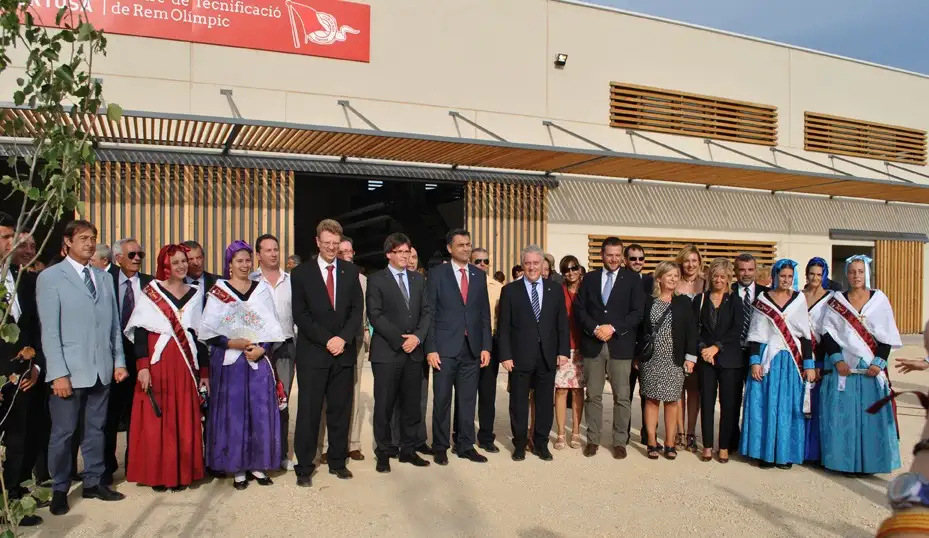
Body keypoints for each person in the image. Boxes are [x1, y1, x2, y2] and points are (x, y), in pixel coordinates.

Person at [37, 219, 129, 516]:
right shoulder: (51, 277)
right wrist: (58, 374)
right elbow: (50, 332)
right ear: (67, 242)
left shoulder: (103, 278)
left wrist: (118, 361)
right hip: (69, 372)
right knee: (64, 433)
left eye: (92, 238)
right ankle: (59, 488)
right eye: (83, 238)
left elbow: (113, 326)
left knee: (96, 429)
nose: (89, 244)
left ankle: (93, 481)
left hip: (101, 368)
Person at [199, 240, 285, 490]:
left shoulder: (261, 290)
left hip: (256, 359)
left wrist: (263, 348)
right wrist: (230, 342)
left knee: (258, 411)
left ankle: (257, 464)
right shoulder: (219, 291)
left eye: (248, 260)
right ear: (230, 264)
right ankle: (237, 466)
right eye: (239, 261)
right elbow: (209, 330)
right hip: (230, 361)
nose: (245, 265)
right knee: (234, 412)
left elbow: (271, 325)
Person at [123, 244, 208, 491]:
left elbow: (199, 336)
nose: (182, 266)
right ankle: (158, 474)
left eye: (184, 261)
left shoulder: (195, 294)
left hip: (185, 364)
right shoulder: (151, 292)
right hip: (157, 363)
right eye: (176, 262)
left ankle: (181, 473)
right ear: (166, 266)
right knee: (156, 419)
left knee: (183, 416)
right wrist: (142, 366)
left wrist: (204, 372)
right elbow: (140, 332)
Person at [290, 219, 364, 487]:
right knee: (309, 412)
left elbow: (357, 311)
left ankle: (337, 462)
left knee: (340, 411)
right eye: (327, 243)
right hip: (313, 353)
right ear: (317, 242)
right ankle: (304, 466)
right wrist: (327, 339)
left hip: (342, 353)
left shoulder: (351, 271)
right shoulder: (301, 273)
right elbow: (300, 314)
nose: (331, 247)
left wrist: (342, 338)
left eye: (335, 243)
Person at [819, 255, 901, 475]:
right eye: (852, 271)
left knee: (871, 416)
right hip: (845, 366)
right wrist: (837, 360)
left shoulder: (879, 300)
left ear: (867, 274)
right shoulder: (837, 300)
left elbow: (887, 334)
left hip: (871, 366)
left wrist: (879, 363)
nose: (856, 276)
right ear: (846, 274)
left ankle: (871, 464)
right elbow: (827, 333)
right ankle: (844, 463)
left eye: (860, 271)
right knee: (844, 415)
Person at [573, 236, 645, 459]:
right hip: (593, 344)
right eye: (609, 255)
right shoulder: (590, 278)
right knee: (593, 395)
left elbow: (637, 313)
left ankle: (619, 441)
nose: (613, 259)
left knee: (622, 397)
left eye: (617, 255)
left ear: (621, 256)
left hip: (620, 345)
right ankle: (593, 439)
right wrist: (595, 328)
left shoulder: (632, 279)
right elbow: (579, 308)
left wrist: (612, 328)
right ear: (602, 255)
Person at [425, 229, 492, 465]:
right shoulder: (437, 274)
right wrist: (430, 348)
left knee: (467, 400)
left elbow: (484, 314)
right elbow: (430, 313)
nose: (465, 248)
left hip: (472, 348)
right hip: (444, 349)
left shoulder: (478, 275)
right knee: (442, 399)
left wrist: (486, 346)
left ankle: (465, 445)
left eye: (468, 244)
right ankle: (440, 446)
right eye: (461, 245)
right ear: (449, 248)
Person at [367, 233, 433, 472]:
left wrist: (417, 337)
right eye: (401, 252)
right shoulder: (376, 280)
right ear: (389, 254)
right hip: (387, 352)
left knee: (411, 405)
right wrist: (399, 340)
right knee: (384, 405)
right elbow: (375, 315)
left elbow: (426, 312)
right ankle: (384, 452)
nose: (406, 256)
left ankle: (408, 449)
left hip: (413, 352)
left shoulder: (418, 279)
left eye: (408, 251)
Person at [741, 259, 815, 469]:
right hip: (768, 359)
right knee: (765, 405)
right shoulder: (763, 299)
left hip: (791, 360)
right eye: (782, 276)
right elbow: (756, 333)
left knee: (789, 407)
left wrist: (808, 364)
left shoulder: (799, 299)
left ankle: (785, 453)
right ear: (775, 276)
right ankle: (764, 453)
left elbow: (805, 335)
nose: (786, 280)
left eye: (790, 276)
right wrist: (755, 361)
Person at [498, 245, 569, 462]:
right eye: (527, 263)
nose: (531, 267)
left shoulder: (555, 290)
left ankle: (540, 443)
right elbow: (504, 327)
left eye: (535, 263)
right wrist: (505, 355)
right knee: (518, 403)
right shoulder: (510, 291)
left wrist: (563, 351)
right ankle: (520, 444)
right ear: (522, 265)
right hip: (520, 356)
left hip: (547, 356)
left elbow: (562, 324)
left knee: (545, 403)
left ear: (542, 264)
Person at [0, 215, 44, 526]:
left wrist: (35, 365)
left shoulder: (24, 279)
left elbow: (35, 328)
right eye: (5, 237)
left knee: (19, 441)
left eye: (12, 236)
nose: (11, 243)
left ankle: (11, 504)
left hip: (23, 377)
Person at [105, 237, 153, 485]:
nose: (137, 259)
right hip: (112, 358)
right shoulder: (105, 280)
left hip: (141, 358)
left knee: (139, 414)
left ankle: (135, 464)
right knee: (110, 415)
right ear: (118, 258)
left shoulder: (150, 284)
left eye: (140, 255)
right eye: (132, 254)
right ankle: (106, 467)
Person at [640, 261, 697, 460]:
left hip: (674, 360)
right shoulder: (649, 301)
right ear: (659, 278)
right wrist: (638, 356)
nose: (673, 279)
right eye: (669, 275)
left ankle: (670, 443)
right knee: (651, 400)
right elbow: (641, 330)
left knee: (672, 401)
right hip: (651, 359)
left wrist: (691, 358)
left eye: (676, 275)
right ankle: (651, 441)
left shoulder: (684, 302)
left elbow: (691, 332)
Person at [250, 234, 297, 471]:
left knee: (282, 401)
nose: (273, 254)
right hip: (258, 350)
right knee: (258, 402)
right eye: (267, 250)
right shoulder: (250, 281)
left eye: (276, 249)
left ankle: (281, 454)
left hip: (285, 346)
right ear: (258, 254)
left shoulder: (291, 281)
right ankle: (257, 456)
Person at [693, 258, 744, 463]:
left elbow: (736, 330)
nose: (719, 280)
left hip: (730, 359)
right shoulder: (700, 299)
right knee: (706, 403)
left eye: (723, 276)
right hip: (706, 359)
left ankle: (723, 446)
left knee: (728, 405)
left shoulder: (735, 301)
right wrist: (703, 349)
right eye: (715, 276)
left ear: (729, 278)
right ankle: (707, 445)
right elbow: (694, 329)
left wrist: (716, 348)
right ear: (710, 277)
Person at [457, 247, 502, 453]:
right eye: (478, 261)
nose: (482, 265)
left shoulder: (498, 288)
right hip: (465, 343)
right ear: (470, 262)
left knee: (487, 393)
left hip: (489, 343)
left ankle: (486, 437)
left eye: (486, 261)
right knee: (464, 394)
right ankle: (460, 435)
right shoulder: (461, 283)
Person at [674, 244, 704, 452]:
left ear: (699, 262)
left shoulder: (707, 282)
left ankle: (691, 432)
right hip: (678, 341)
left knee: (694, 391)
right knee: (678, 389)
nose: (691, 265)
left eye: (694, 260)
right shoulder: (674, 281)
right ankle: (679, 432)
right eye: (687, 260)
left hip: (700, 343)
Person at [802, 257, 832, 464]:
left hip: (820, 356)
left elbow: (831, 332)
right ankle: (800, 449)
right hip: (801, 355)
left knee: (818, 405)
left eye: (819, 274)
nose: (815, 278)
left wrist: (820, 361)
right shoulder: (798, 296)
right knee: (800, 403)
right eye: (812, 273)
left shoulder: (831, 298)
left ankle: (816, 453)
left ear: (824, 276)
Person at [554, 255, 584, 450]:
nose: (571, 272)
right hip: (564, 347)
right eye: (566, 270)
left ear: (579, 269)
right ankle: (560, 434)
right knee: (561, 390)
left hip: (583, 347)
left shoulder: (587, 290)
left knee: (578, 390)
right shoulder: (558, 291)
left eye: (574, 268)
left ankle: (576, 432)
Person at [182, 240, 219, 307]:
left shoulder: (218, 283)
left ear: (203, 258)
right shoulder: (177, 285)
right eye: (190, 259)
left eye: (199, 258)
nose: (196, 263)